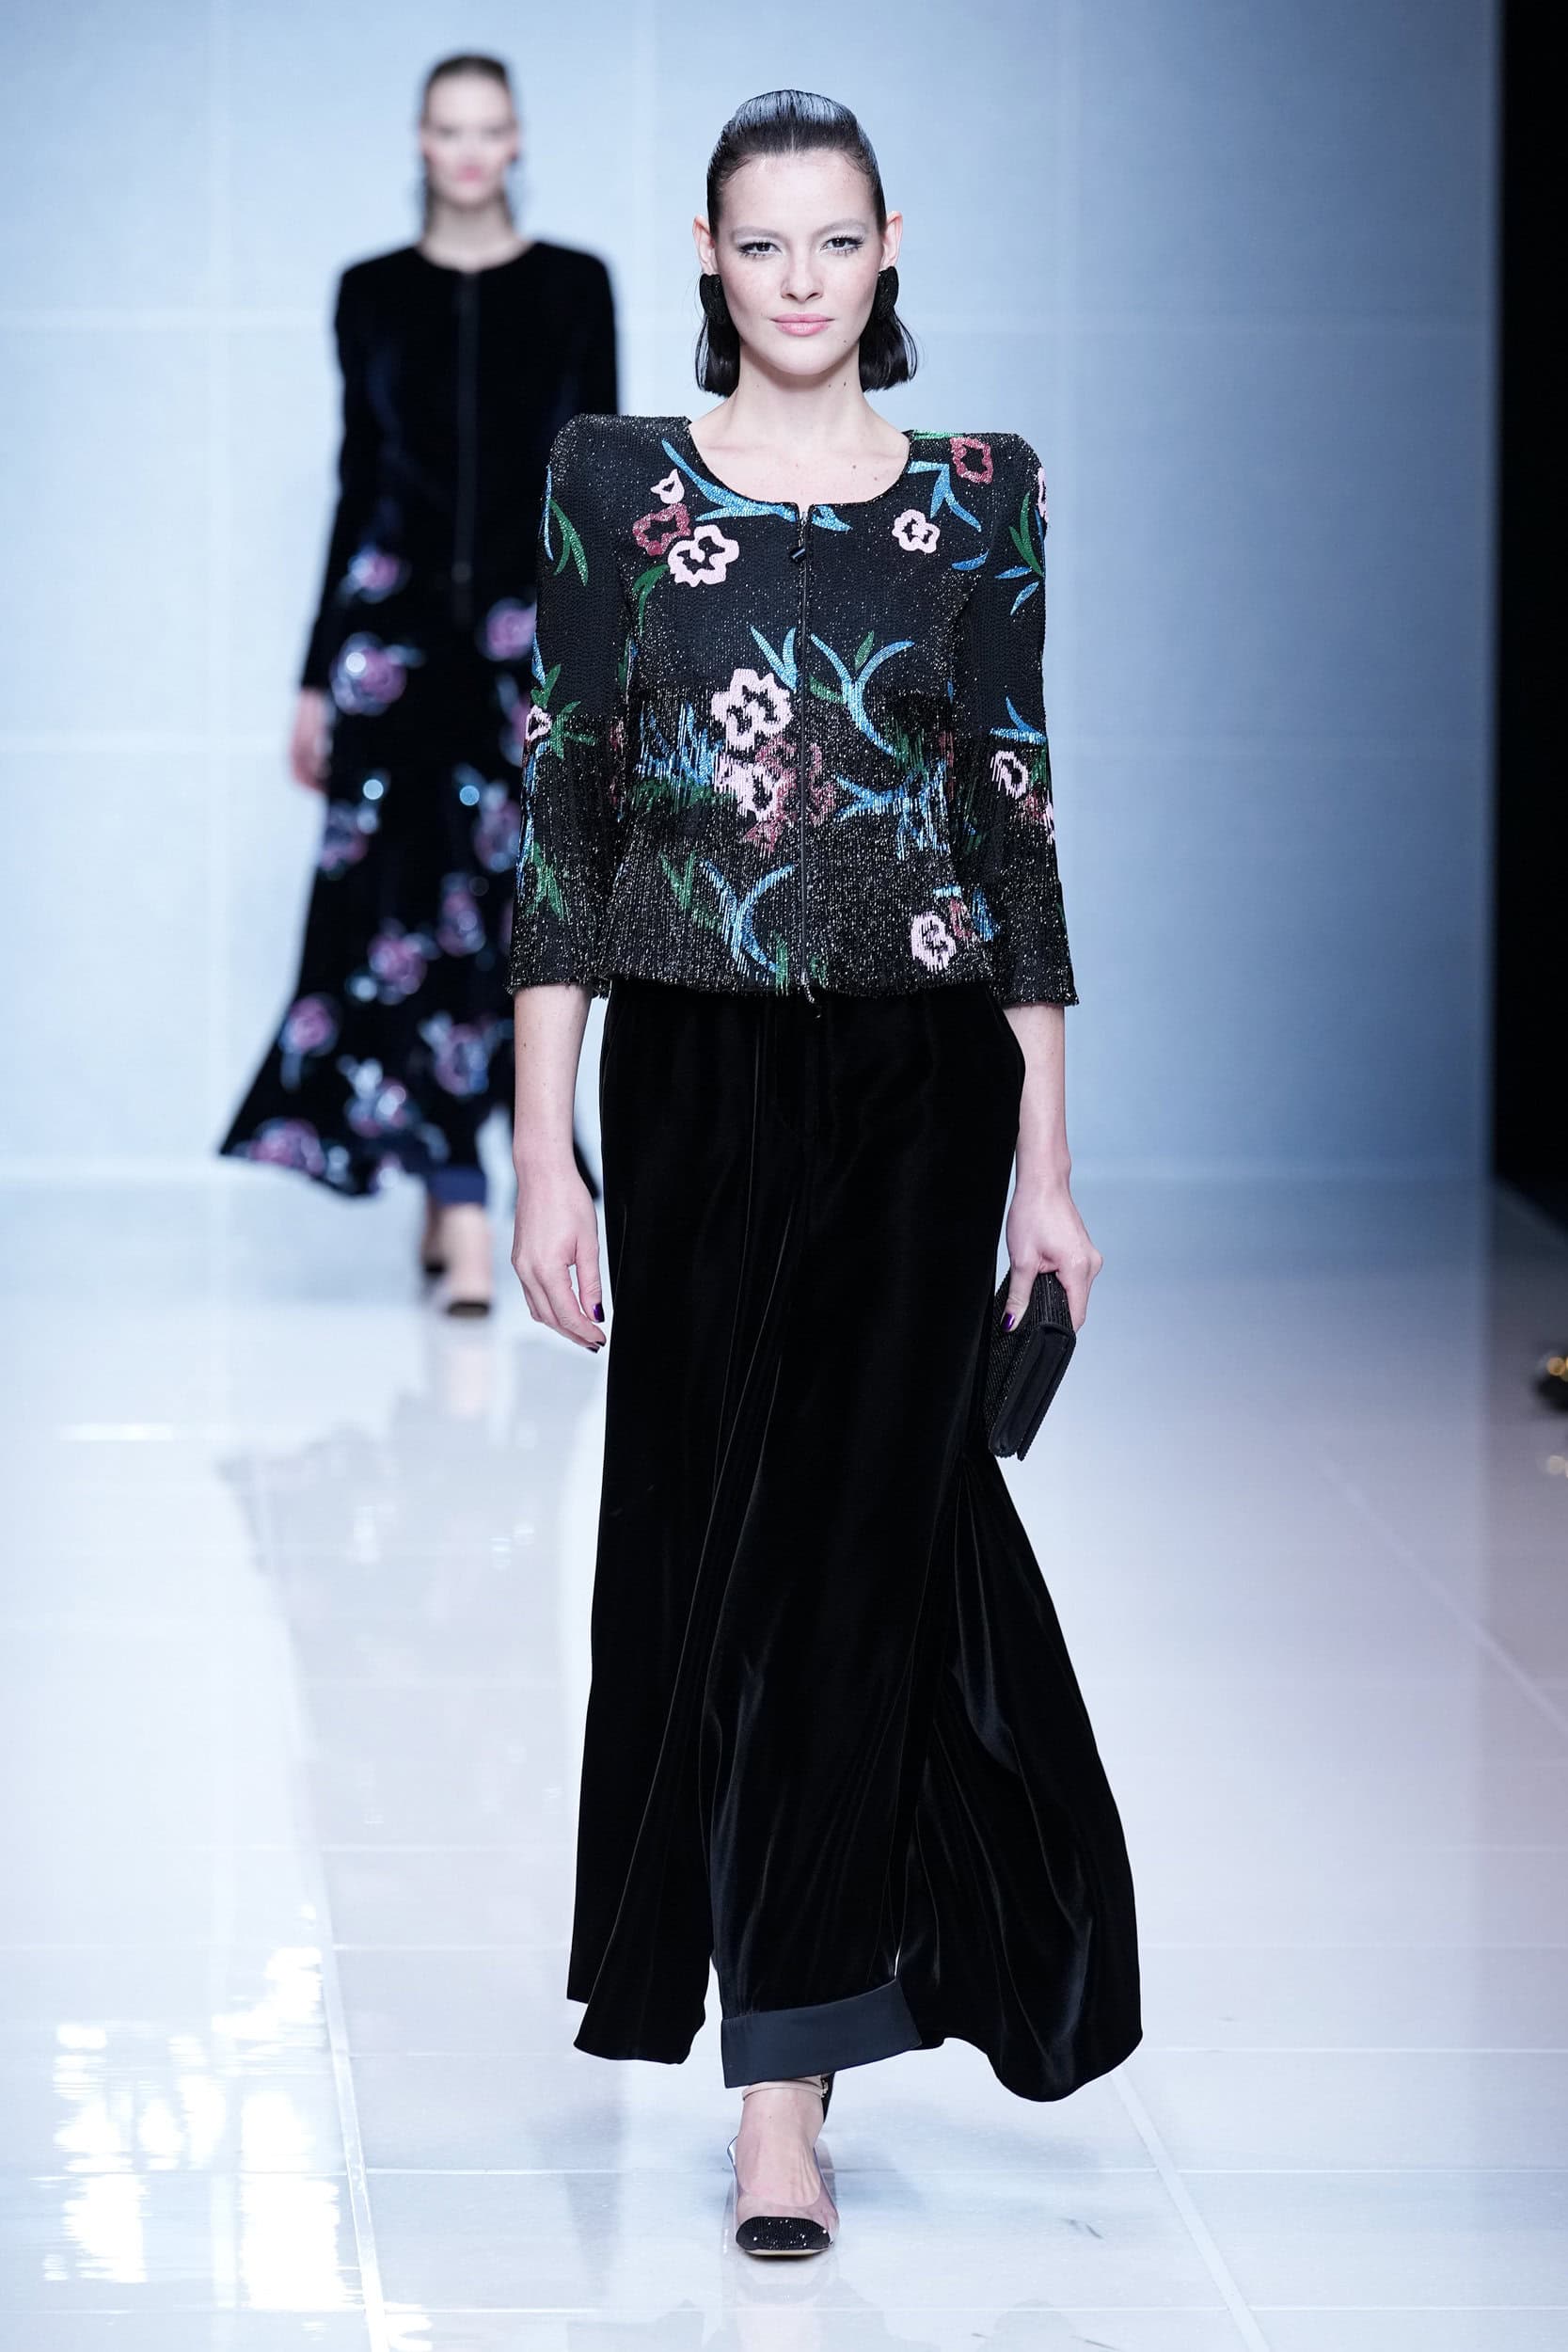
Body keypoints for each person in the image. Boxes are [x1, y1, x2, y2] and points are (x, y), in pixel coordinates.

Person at [508, 88, 1141, 2257]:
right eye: (762, 242)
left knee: (855, 1548)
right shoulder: (614, 481)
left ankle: (785, 2083)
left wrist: (1049, 1165)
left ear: (889, 249)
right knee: (714, 1540)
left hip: (918, 1076)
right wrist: (545, 1153)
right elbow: (565, 818)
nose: (800, 279)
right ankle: (803, 1989)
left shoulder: (978, 496)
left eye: (834, 240)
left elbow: (1013, 822)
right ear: (707, 252)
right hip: (691, 1067)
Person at [220, 53, 616, 1313]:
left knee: (512, 914)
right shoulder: (372, 293)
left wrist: (603, 666)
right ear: (421, 140)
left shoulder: (573, 286)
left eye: (491, 128)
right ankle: (456, 1197)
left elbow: (596, 484)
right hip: (392, 650)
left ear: (516, 142)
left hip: (522, 641)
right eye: (449, 128)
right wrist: (313, 678)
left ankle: (513, 1177)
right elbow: (360, 480)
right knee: (397, 917)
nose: (470, 150)